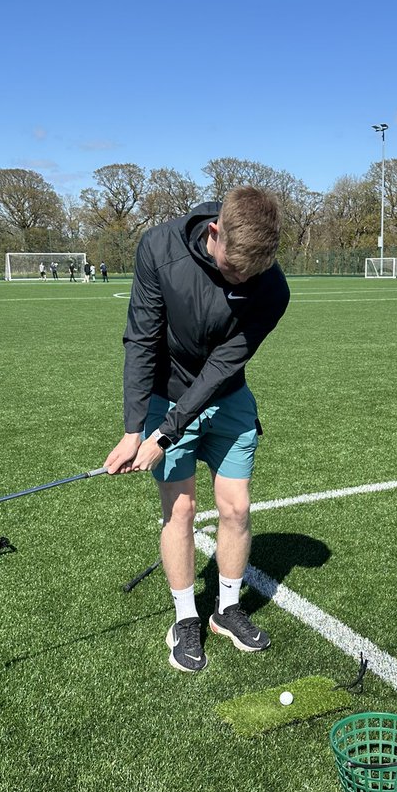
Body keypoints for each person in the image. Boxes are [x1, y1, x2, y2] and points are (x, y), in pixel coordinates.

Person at [104, 186, 289, 674]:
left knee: (237, 506)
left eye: (252, 273)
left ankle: (226, 609)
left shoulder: (272, 287)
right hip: (166, 393)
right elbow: (141, 338)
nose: (242, 279)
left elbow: (223, 366)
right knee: (180, 508)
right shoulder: (158, 248)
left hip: (226, 393)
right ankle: (186, 617)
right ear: (215, 233)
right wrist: (134, 429)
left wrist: (164, 433)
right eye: (234, 268)